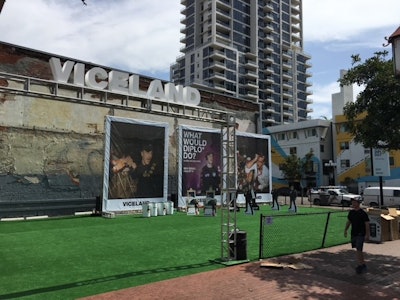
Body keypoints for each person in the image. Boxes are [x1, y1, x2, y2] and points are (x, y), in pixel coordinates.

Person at [344, 198, 370, 274]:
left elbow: (367, 224)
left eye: (355, 202)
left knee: (359, 249)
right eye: (352, 203)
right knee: (357, 249)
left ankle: (361, 265)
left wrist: (367, 234)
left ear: (358, 203)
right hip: (354, 233)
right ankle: (361, 263)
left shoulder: (363, 213)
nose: (353, 204)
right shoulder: (351, 213)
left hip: (360, 234)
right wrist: (345, 230)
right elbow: (349, 221)